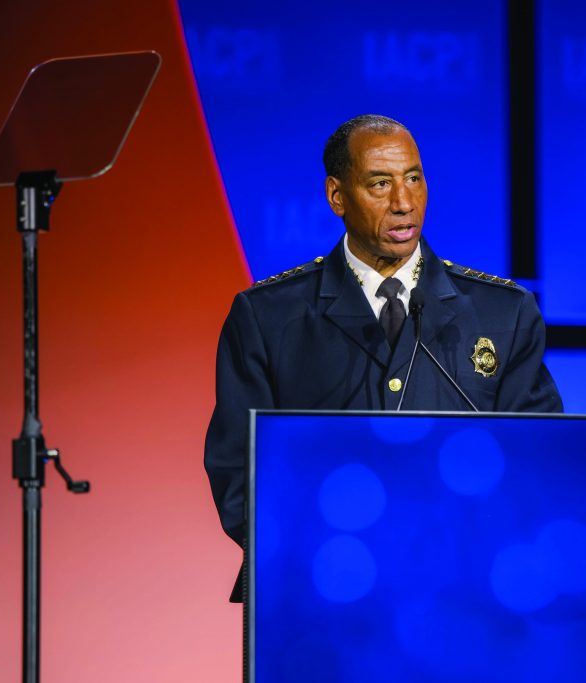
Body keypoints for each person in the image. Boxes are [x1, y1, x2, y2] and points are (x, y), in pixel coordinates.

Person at [204, 114, 562, 600]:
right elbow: (237, 468)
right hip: (316, 599)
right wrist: (315, 560)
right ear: (337, 196)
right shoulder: (269, 316)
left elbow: (537, 459)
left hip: (463, 596)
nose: (404, 202)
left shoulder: (503, 313)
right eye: (380, 183)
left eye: (414, 178)